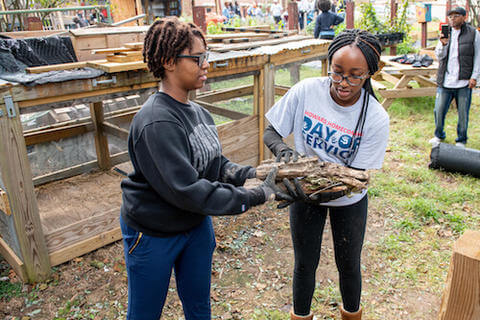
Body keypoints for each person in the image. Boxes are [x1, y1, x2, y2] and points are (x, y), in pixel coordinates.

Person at [120, 17, 289, 320]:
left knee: (199, 307)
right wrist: (253, 196)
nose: (205, 64)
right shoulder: (156, 122)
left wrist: (251, 175)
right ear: (168, 61)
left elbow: (213, 164)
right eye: (197, 58)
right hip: (154, 232)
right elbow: (187, 190)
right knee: (144, 313)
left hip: (195, 227)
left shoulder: (198, 112)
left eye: (206, 56)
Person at [264, 29, 389, 320]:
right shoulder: (306, 91)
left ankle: (352, 314)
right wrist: (284, 153)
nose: (343, 83)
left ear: (369, 73)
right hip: (304, 196)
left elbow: (355, 177)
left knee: (348, 264)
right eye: (337, 72)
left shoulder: (375, 118)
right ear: (330, 66)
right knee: (305, 264)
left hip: (348, 200)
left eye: (354, 75)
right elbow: (271, 131)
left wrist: (308, 186)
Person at [429, 6, 480, 148]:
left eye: (456, 16)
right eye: (450, 16)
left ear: (464, 17)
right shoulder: (446, 34)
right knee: (438, 110)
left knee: (463, 113)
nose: (452, 18)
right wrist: (442, 44)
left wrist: (474, 77)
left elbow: (478, 57)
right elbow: (439, 56)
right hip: (445, 81)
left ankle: (461, 139)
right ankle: (439, 135)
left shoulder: (473, 34)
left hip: (463, 82)